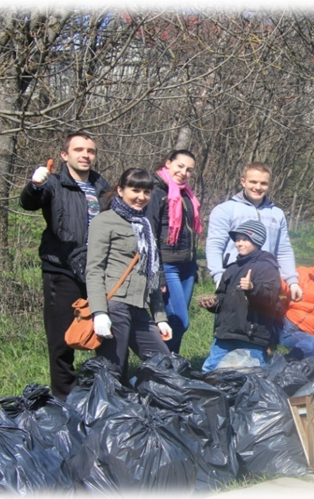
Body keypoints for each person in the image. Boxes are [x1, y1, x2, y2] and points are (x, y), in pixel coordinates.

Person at [19, 132, 111, 400]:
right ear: (65, 155)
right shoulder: (55, 184)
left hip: (97, 269)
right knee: (62, 339)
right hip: (62, 268)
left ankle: (104, 391)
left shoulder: (102, 188)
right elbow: (28, 203)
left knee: (103, 331)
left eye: (90, 151)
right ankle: (65, 398)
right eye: (79, 149)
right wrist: (35, 184)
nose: (85, 155)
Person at [86, 168, 172, 383]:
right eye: (135, 190)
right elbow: (94, 269)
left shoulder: (145, 225)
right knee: (113, 371)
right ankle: (108, 413)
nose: (141, 197)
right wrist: (99, 312)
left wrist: (160, 317)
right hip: (115, 306)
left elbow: (151, 274)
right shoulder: (104, 221)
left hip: (139, 308)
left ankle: (138, 398)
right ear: (120, 190)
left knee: (163, 363)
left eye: (146, 192)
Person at [205, 162, 303, 302]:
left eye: (263, 183)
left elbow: (283, 249)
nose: (258, 187)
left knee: (266, 322)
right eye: (253, 182)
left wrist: (292, 281)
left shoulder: (277, 214)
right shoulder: (225, 210)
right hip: (234, 277)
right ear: (243, 182)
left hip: (267, 279)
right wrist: (219, 277)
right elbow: (215, 245)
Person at [199, 220, 282, 372]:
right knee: (210, 370)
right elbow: (223, 297)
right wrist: (214, 303)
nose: (239, 243)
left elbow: (270, 298)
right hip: (226, 333)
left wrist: (252, 288)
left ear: (257, 240)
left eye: (244, 239)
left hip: (252, 335)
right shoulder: (231, 268)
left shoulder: (268, 267)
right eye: (237, 239)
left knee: (250, 374)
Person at [146, 149, 203, 354]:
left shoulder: (186, 194)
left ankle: (171, 368)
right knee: (179, 322)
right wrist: (158, 274)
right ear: (168, 163)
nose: (183, 172)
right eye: (180, 166)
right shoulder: (155, 192)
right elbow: (149, 235)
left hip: (186, 267)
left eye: (189, 170)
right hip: (167, 266)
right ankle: (155, 365)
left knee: (175, 322)